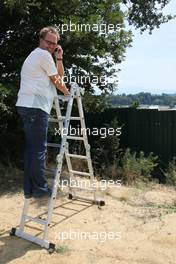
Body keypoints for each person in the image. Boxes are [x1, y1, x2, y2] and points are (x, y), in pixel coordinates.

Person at [16, 26, 69, 199]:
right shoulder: (42, 54)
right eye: (49, 42)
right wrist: (67, 92)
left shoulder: (40, 56)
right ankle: (39, 188)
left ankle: (29, 189)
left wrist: (59, 58)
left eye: (54, 43)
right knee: (39, 149)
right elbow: (57, 81)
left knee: (32, 149)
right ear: (41, 39)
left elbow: (58, 75)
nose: (51, 46)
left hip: (28, 105)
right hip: (35, 107)